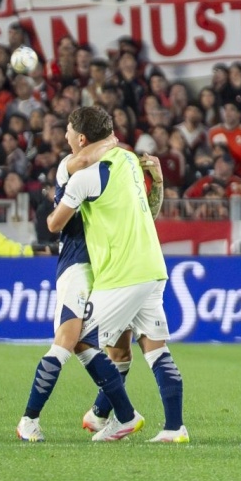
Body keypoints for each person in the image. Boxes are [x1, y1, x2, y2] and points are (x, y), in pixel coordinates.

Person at [46, 106, 188, 443]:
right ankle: (173, 428)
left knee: (81, 340)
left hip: (121, 273)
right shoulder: (128, 163)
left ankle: (124, 418)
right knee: (150, 350)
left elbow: (53, 224)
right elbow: (149, 211)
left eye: (67, 130)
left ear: (80, 138)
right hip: (152, 268)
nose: (64, 135)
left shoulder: (84, 177)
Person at [15, 134, 143, 443]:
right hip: (77, 267)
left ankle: (112, 416)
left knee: (112, 346)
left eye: (70, 132)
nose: (67, 137)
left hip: (107, 269)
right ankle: (29, 420)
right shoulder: (69, 168)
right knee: (67, 340)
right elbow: (82, 159)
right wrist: (113, 141)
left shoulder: (111, 175)